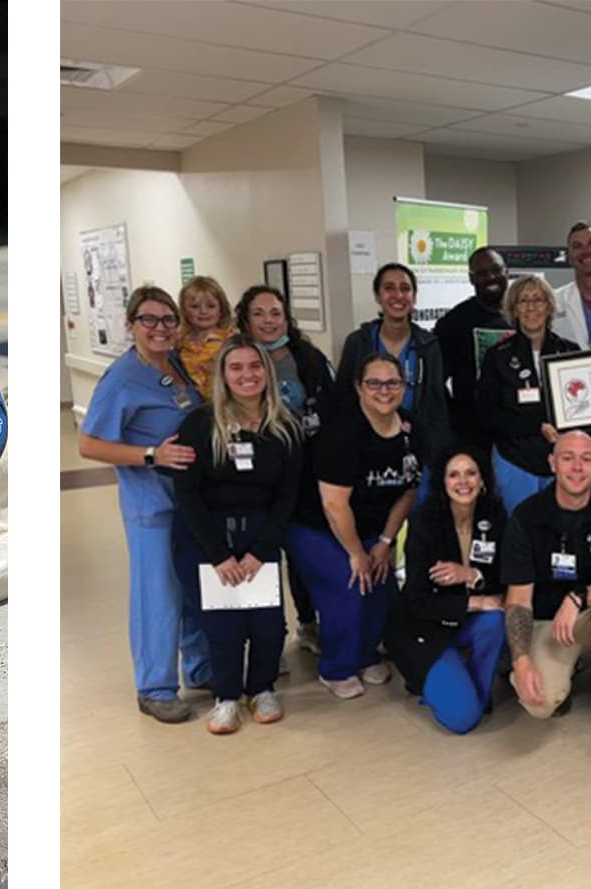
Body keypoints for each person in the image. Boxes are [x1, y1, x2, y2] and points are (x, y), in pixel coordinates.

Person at [79, 286, 212, 724]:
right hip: (151, 506)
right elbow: (89, 444)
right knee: (159, 597)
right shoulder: (121, 378)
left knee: (192, 590)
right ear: (130, 324)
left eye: (168, 319)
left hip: (188, 503)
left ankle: (200, 668)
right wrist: (152, 455)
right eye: (149, 320)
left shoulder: (175, 366)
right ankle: (154, 688)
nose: (160, 328)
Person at [171, 336, 302, 734]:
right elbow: (187, 494)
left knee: (267, 625)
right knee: (223, 627)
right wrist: (218, 555)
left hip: (260, 537)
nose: (248, 375)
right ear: (223, 376)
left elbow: (287, 497)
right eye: (237, 368)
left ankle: (261, 688)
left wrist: (261, 552)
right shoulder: (199, 424)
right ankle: (226, 697)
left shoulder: (285, 428)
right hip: (207, 539)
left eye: (255, 366)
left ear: (267, 371)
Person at [501, 431, 591, 772]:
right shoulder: (526, 517)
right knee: (538, 705)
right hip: (548, 623)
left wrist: (580, 596)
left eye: (586, 459)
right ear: (552, 463)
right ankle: (564, 674)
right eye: (567, 457)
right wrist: (521, 661)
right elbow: (519, 600)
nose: (577, 467)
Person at [287, 354, 422, 699]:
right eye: (374, 383)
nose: (384, 390)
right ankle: (336, 667)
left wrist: (384, 543)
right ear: (359, 388)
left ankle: (365, 654)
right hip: (317, 528)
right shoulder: (342, 433)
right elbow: (334, 504)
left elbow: (408, 491)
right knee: (349, 585)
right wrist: (355, 553)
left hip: (371, 528)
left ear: (404, 387)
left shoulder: (409, 428)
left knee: (380, 584)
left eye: (392, 382)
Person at [236, 284, 339, 656]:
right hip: (255, 475)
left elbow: (330, 411)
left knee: (302, 553)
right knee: (260, 554)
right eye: (259, 313)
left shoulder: (307, 357)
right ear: (245, 319)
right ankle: (266, 642)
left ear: (286, 317)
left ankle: (308, 623)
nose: (268, 320)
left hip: (306, 471)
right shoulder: (239, 360)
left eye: (275, 312)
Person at [385, 446, 508, 735]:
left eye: (470, 473)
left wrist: (472, 574)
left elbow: (503, 577)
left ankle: (470, 686)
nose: (463, 482)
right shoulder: (424, 521)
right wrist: (478, 601)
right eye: (453, 475)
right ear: (442, 481)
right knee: (463, 720)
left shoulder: (495, 514)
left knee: (496, 619)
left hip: (461, 620)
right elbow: (418, 601)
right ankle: (434, 683)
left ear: (482, 479)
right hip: (423, 628)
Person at [477, 275, 579, 512]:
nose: (531, 307)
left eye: (538, 300)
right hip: (514, 459)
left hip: (561, 459)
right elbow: (486, 413)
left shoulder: (569, 352)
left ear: (550, 306)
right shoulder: (497, 356)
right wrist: (537, 426)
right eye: (524, 301)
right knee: (519, 531)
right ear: (514, 308)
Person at [336, 262, 449, 449]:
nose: (398, 295)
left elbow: (436, 406)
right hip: (364, 442)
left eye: (405, 289)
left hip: (415, 443)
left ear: (414, 297)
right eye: (389, 288)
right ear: (377, 296)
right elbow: (342, 399)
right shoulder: (358, 343)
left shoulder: (428, 345)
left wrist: (440, 451)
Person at [434, 247, 511, 451]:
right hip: (473, 436)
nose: (491, 277)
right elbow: (436, 381)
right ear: (471, 278)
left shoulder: (525, 315)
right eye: (482, 273)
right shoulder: (453, 323)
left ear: (507, 272)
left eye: (496, 270)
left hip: (518, 435)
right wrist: (455, 420)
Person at [174, 275, 236, 401]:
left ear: (221, 309)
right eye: (195, 306)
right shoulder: (179, 341)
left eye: (211, 306)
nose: (203, 311)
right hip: (192, 404)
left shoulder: (230, 340)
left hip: (225, 402)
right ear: (184, 310)